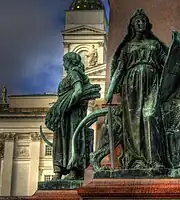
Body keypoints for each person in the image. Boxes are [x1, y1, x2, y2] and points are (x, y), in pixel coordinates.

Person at [106, 8, 169, 169]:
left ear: (148, 24)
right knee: (133, 122)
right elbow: (120, 69)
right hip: (131, 85)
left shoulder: (154, 45)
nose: (140, 23)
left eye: (143, 21)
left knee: (150, 116)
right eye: (137, 21)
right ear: (132, 25)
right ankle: (137, 160)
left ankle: (155, 159)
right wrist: (110, 91)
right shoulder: (127, 47)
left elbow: (167, 65)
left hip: (152, 83)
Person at [45, 52, 100, 180]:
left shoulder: (74, 73)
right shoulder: (72, 74)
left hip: (72, 114)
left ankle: (74, 169)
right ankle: (59, 171)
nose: (63, 64)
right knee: (63, 140)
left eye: (65, 61)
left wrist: (67, 105)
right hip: (64, 115)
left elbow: (78, 91)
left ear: (70, 62)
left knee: (72, 139)